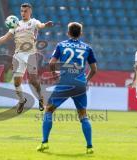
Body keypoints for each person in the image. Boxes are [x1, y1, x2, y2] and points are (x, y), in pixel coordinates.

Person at [36, 22, 97, 154]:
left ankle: (44, 143)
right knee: (83, 115)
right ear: (80, 33)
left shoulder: (61, 45)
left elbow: (51, 63)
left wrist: (54, 75)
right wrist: (85, 80)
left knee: (48, 111)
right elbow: (94, 69)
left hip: (64, 82)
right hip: (80, 84)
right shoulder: (87, 48)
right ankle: (90, 146)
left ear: (68, 33)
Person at [0, 3, 53, 113]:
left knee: (33, 81)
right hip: (18, 55)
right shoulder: (16, 24)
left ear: (30, 11)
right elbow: (6, 37)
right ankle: (22, 100)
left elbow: (41, 25)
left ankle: (41, 98)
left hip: (30, 54)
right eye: (21, 11)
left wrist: (46, 25)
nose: (23, 13)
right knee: (16, 82)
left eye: (25, 11)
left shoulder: (34, 22)